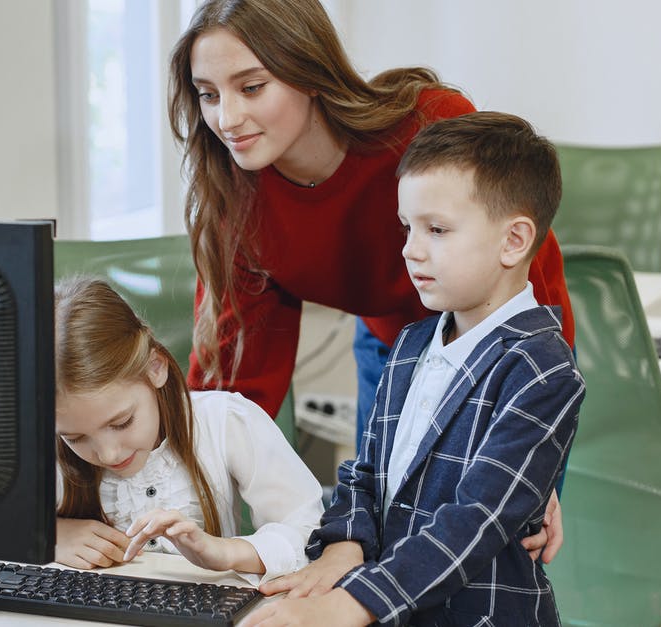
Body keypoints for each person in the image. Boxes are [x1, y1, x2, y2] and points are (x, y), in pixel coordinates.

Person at [168, 0, 570, 563]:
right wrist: (174, 484)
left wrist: (536, 447)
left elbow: (531, 272)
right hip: (394, 350)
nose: (226, 117)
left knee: (496, 558)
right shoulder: (238, 199)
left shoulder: (425, 124)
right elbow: (234, 382)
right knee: (386, 549)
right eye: (208, 94)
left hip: (502, 355)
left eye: (252, 87)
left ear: (308, 70)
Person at [242, 111, 585, 626]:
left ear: (513, 241)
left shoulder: (542, 371)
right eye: (407, 227)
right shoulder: (410, 343)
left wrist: (349, 603)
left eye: (437, 229)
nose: (410, 248)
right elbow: (365, 470)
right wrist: (345, 545)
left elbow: (474, 522)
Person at [52, 276, 325, 585]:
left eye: (122, 422)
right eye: (75, 437)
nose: (108, 453)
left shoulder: (225, 419)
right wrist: (51, 536)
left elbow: (310, 531)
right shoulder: (44, 437)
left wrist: (226, 552)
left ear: (155, 368)